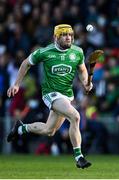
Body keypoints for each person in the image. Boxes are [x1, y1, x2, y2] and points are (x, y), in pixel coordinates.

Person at [7, 24, 93, 169]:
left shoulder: (77, 52)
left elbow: (82, 69)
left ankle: (21, 129)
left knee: (49, 130)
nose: (68, 38)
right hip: (51, 94)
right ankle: (79, 157)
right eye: (64, 35)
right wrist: (16, 84)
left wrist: (86, 82)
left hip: (66, 95)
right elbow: (25, 64)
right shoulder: (45, 52)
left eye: (70, 35)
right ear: (56, 37)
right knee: (75, 116)